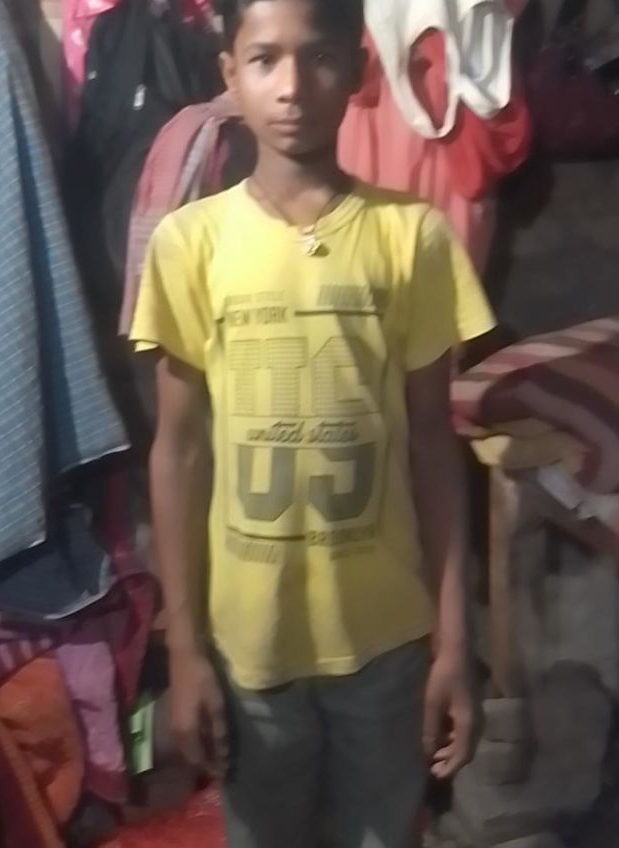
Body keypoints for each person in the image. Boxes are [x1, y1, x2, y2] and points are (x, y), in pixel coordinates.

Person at [130, 0, 496, 846]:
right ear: (231, 74)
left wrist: (454, 641)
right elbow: (178, 452)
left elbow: (433, 446)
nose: (292, 86)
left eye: (320, 58)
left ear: (359, 71)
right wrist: (184, 648)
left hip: (387, 641)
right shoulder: (189, 243)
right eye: (265, 59)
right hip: (250, 648)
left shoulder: (412, 238)